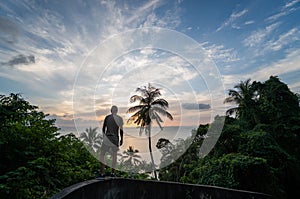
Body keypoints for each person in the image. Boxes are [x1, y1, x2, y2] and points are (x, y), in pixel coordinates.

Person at [99, 105, 123, 177]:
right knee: (114, 156)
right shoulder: (119, 118)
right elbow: (121, 130)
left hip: (107, 138)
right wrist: (122, 139)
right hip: (115, 139)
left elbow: (103, 128)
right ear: (117, 111)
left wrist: (104, 137)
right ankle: (112, 173)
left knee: (102, 154)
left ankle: (102, 173)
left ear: (111, 111)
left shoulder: (107, 117)